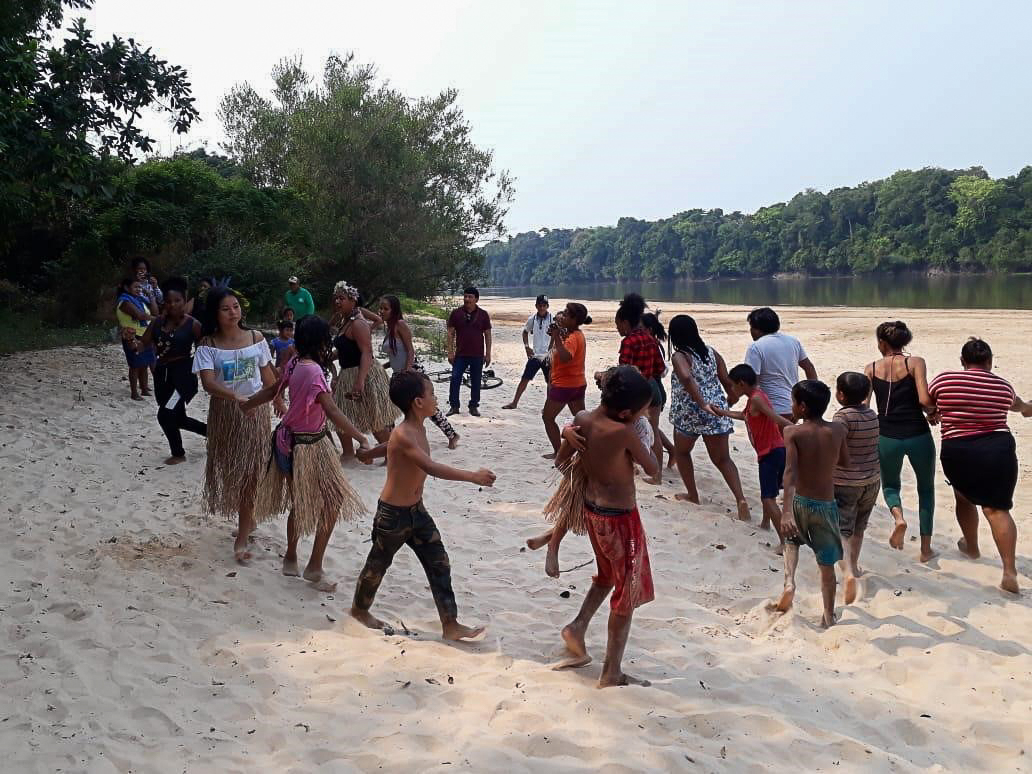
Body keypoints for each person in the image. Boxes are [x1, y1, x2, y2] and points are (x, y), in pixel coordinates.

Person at [349, 370, 495, 640]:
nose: (435, 398)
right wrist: (472, 476)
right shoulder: (404, 433)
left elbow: (390, 445)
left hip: (418, 513)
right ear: (418, 402)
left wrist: (370, 452)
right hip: (392, 516)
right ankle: (359, 610)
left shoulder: (415, 428)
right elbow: (430, 466)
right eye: (432, 393)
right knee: (376, 566)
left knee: (439, 564)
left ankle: (450, 624)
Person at [244, 315, 370, 592]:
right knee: (326, 502)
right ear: (321, 342)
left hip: (294, 442)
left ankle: (294, 557)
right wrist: (361, 437)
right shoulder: (313, 371)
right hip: (305, 445)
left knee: (303, 503)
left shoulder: (293, 362)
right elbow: (332, 410)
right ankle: (312, 565)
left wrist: (248, 404)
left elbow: (273, 391)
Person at [552, 365, 658, 687]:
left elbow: (560, 462)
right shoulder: (624, 432)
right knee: (625, 594)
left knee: (607, 576)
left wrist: (566, 434)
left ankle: (577, 626)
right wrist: (645, 435)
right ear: (627, 412)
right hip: (621, 521)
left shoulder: (582, 420)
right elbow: (653, 468)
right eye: (642, 411)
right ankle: (612, 671)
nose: (644, 415)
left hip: (592, 512)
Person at [929, 338, 1032, 594]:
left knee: (963, 497)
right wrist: (1028, 408)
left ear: (963, 361)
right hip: (998, 449)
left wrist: (934, 414)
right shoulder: (1002, 386)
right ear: (989, 362)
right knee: (997, 510)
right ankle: (1009, 570)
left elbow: (928, 402)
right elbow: (1021, 407)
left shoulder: (944, 381)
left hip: (958, 449)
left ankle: (972, 547)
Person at [193, 286, 278, 563]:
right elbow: (208, 383)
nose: (233, 312)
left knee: (251, 473)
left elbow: (268, 379)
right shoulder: (208, 344)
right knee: (234, 471)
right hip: (226, 415)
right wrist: (234, 396)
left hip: (255, 414)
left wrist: (280, 401)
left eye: (236, 306)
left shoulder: (256, 338)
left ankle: (242, 536)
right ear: (214, 314)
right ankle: (248, 518)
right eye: (225, 308)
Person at [775, 380, 849, 629]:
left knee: (791, 540)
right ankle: (828, 614)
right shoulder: (838, 430)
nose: (791, 406)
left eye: (793, 402)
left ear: (803, 407)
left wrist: (786, 512)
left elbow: (789, 473)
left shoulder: (792, 433)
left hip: (799, 501)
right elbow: (845, 462)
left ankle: (789, 582)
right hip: (825, 505)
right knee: (826, 563)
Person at [863, 321, 937, 562]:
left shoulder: (871, 368)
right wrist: (933, 412)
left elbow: (864, 406)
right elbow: (924, 399)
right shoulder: (915, 362)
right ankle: (925, 549)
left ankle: (899, 518)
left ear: (882, 343)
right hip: (918, 434)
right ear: (905, 342)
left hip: (886, 436)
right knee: (925, 489)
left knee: (891, 485)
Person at [668, 315, 751, 520]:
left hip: (690, 413)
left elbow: (686, 378)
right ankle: (740, 498)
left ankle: (693, 494)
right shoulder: (711, 353)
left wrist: (701, 403)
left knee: (682, 452)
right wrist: (729, 402)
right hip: (716, 411)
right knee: (723, 460)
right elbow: (726, 381)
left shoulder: (680, 356)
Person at [709, 363, 792, 537]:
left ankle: (784, 542)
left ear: (741, 383)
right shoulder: (754, 397)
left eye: (732, 385)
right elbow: (743, 415)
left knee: (768, 498)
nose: (731, 389)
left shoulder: (756, 399)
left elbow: (775, 418)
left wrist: (801, 429)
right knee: (770, 492)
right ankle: (765, 523)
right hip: (773, 451)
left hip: (771, 452)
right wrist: (721, 412)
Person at [135, 277, 207, 464]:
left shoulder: (194, 325)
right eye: (169, 301)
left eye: (177, 301)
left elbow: (205, 351)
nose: (173, 305)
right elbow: (143, 344)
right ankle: (211, 433)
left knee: (165, 414)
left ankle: (178, 453)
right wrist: (130, 340)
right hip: (162, 375)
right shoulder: (157, 323)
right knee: (178, 417)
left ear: (185, 301)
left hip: (182, 378)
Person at [376, 295, 458, 449]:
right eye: (380, 308)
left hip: (412, 372)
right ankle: (392, 441)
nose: (381, 311)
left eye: (385, 308)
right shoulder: (389, 328)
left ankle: (452, 435)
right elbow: (395, 356)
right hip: (398, 373)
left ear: (394, 310)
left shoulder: (400, 324)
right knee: (391, 408)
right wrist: (383, 367)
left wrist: (407, 371)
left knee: (428, 407)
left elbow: (410, 351)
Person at [329, 281, 399, 460]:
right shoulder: (345, 320)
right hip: (348, 373)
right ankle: (348, 453)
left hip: (363, 373)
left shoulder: (358, 323)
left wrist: (360, 381)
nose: (338, 301)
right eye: (336, 298)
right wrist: (330, 357)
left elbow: (366, 353)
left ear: (353, 300)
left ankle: (392, 455)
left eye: (342, 298)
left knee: (374, 420)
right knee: (341, 417)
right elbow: (347, 348)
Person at [831, 372, 881, 604]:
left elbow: (835, 448)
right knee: (860, 526)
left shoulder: (842, 418)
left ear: (840, 394)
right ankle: (856, 566)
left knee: (842, 529)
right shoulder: (871, 414)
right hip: (872, 479)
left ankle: (848, 571)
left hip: (846, 481)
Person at [608, 294, 666, 483]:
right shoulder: (650, 338)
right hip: (653, 388)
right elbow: (660, 368)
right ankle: (657, 475)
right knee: (654, 431)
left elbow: (623, 372)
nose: (617, 329)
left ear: (625, 322)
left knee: (628, 430)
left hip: (636, 394)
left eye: (617, 324)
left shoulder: (629, 342)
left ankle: (629, 466)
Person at [743, 307, 818, 419]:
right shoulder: (793, 341)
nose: (751, 331)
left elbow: (752, 383)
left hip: (771, 410)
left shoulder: (756, 347)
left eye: (751, 327)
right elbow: (809, 368)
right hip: (793, 408)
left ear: (757, 329)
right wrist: (812, 399)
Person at [542, 303, 592, 458]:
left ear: (573, 319)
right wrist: (558, 335)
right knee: (581, 422)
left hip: (564, 386)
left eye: (565, 314)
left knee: (548, 417)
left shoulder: (572, 338)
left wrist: (556, 337)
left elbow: (565, 357)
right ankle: (590, 450)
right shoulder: (576, 334)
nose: (561, 317)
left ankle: (558, 452)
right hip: (578, 384)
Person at [446, 287, 492, 417]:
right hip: (460, 354)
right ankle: (454, 406)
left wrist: (488, 354)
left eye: (470, 297)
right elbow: (450, 333)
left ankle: (473, 406)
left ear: (476, 299)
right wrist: (450, 352)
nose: (467, 299)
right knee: (455, 378)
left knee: (476, 380)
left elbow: (488, 334)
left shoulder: (483, 314)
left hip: (477, 354)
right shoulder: (456, 313)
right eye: (465, 296)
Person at [503, 295, 553, 410]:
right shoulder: (532, 319)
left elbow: (557, 335)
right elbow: (525, 332)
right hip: (535, 355)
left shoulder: (552, 319)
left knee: (550, 382)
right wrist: (527, 347)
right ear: (536, 306)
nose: (541, 308)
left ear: (547, 306)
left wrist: (552, 349)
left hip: (548, 356)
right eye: (539, 305)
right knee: (525, 379)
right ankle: (514, 402)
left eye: (544, 305)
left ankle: (548, 406)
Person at [641, 311, 677, 466]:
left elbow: (663, 371)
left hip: (653, 390)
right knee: (650, 426)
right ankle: (671, 450)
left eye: (640, 327)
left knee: (651, 429)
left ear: (649, 329)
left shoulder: (653, 345)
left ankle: (656, 468)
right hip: (655, 389)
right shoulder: (653, 343)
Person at [115, 276, 158, 400]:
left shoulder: (139, 300)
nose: (139, 289)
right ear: (126, 288)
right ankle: (134, 392)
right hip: (132, 336)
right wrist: (158, 320)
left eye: (140, 286)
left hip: (144, 335)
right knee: (135, 365)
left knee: (144, 364)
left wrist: (150, 295)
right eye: (136, 287)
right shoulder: (124, 302)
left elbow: (154, 312)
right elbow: (140, 315)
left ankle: (144, 389)